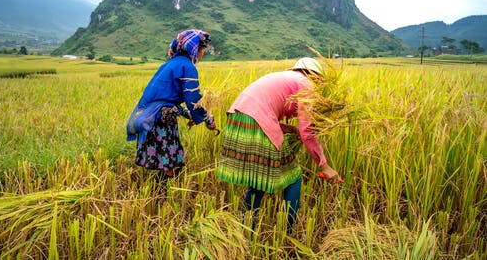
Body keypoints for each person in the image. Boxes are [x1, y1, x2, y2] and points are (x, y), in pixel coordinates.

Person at [216, 57, 343, 232]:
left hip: (238, 119)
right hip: (257, 121)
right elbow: (308, 133)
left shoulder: (285, 77)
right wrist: (325, 166)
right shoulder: (307, 85)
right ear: (316, 76)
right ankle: (288, 229)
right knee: (293, 177)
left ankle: (246, 228)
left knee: (258, 178)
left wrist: (290, 129)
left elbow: (261, 109)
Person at [126, 29, 216, 180]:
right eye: (203, 50)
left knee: (163, 160)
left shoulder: (168, 65)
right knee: (170, 163)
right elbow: (193, 99)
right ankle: (161, 196)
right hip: (162, 118)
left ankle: (158, 194)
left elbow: (168, 100)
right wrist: (208, 119)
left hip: (150, 117)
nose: (202, 54)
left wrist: (189, 115)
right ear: (195, 49)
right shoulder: (188, 67)